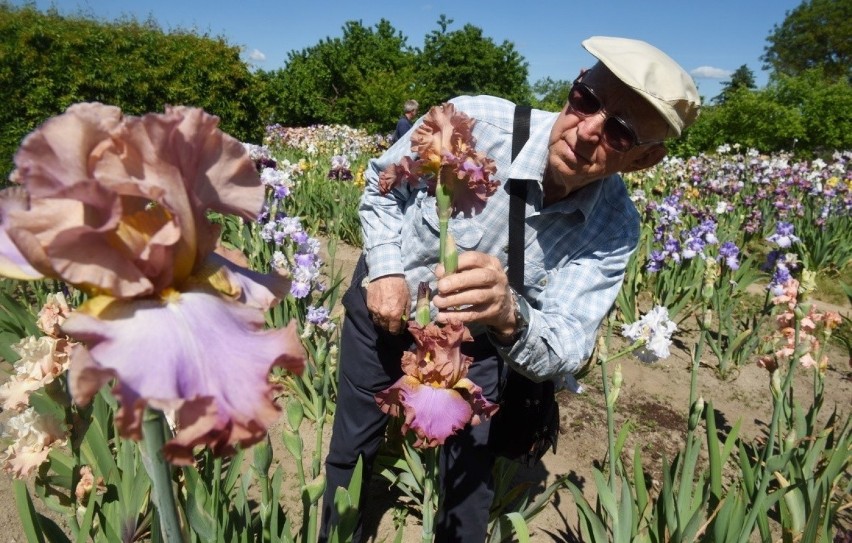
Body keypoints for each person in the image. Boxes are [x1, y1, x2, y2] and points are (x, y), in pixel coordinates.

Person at [320, 36, 700, 542]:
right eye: (586, 100)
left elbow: (566, 345)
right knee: (353, 448)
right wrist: (386, 270)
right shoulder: (476, 124)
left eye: (620, 132)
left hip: (477, 347)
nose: (586, 130)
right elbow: (380, 185)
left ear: (643, 162)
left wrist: (507, 314)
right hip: (386, 310)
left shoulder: (613, 229)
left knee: (469, 483)